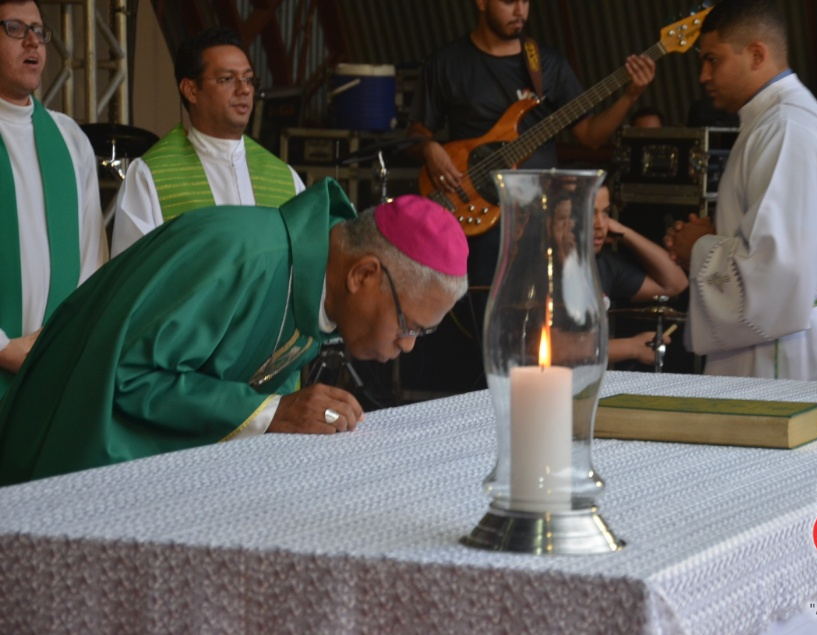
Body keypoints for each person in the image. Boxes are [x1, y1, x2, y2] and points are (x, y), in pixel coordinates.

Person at [0, 181, 468, 484]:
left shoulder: (315, 283)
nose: (405, 346)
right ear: (363, 275)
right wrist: (272, 413)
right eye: (409, 327)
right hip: (72, 456)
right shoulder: (241, 258)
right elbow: (125, 376)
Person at [408, 0, 657, 288]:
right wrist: (429, 149)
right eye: (508, 2)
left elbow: (590, 136)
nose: (520, 11)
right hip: (475, 217)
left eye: (525, 1)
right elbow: (415, 133)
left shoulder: (548, 65)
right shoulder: (446, 63)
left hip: (542, 219)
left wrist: (630, 96)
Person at [664, 0, 817, 381]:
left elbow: (777, 269)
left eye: (713, 60)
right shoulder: (771, 122)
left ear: (756, 54)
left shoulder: (786, 129)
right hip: (771, 341)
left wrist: (697, 248)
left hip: (780, 352)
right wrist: (713, 234)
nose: (702, 76)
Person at [111, 27, 305, 256]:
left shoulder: (285, 179)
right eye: (227, 79)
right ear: (191, 90)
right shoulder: (151, 176)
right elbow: (133, 276)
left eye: (249, 79)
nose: (244, 90)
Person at [0, 0, 105, 398]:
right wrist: (5, 348)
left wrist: (65, 343)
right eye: (14, 28)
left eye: (39, 31)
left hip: (53, 365)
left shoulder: (68, 137)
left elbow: (92, 257)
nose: (32, 41)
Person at [592, 183, 687, 365]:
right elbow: (561, 348)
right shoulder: (546, 268)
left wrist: (624, 232)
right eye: (590, 213)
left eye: (605, 213)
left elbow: (676, 284)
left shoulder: (603, 262)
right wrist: (632, 347)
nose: (600, 224)